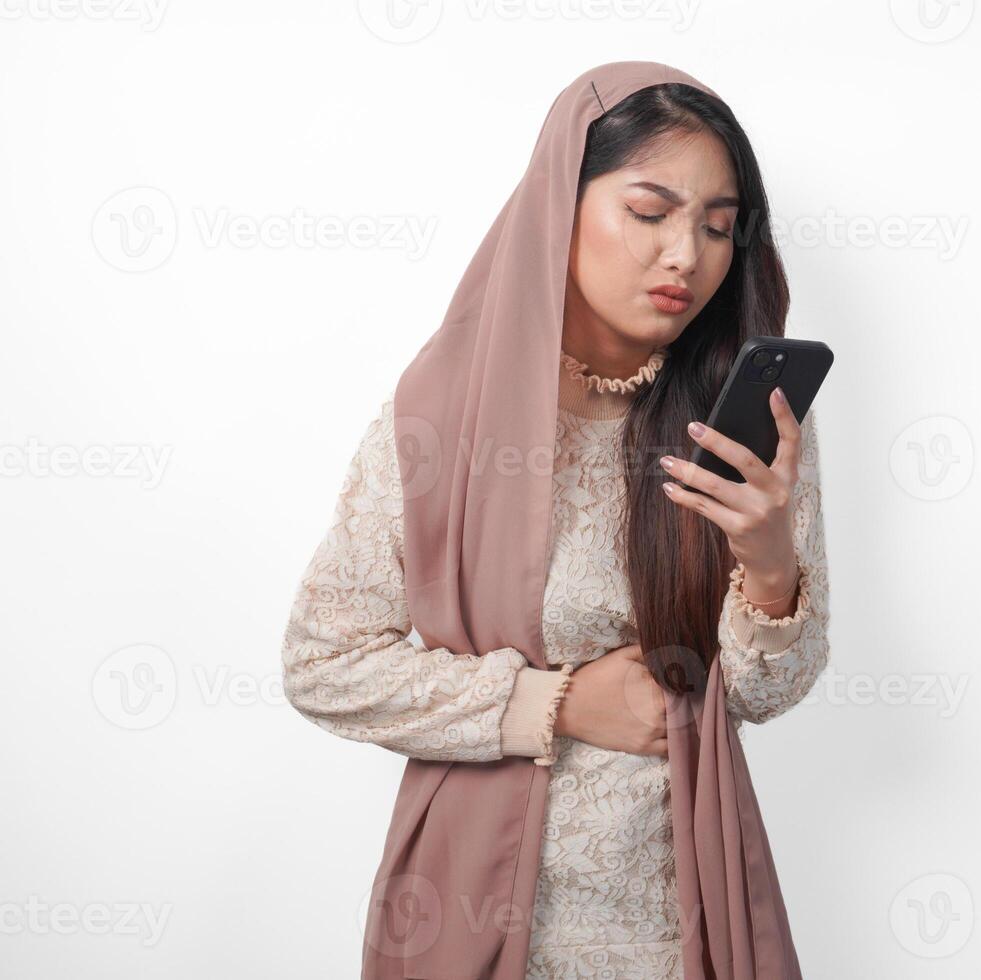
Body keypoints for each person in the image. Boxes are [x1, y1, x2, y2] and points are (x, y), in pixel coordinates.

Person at [279, 62, 829, 979]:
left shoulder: (748, 420)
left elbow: (769, 696)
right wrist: (559, 705)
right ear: (557, 208)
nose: (686, 256)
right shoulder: (445, 412)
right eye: (650, 213)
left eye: (719, 227)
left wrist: (771, 567)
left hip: (685, 905)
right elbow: (321, 663)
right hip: (479, 905)